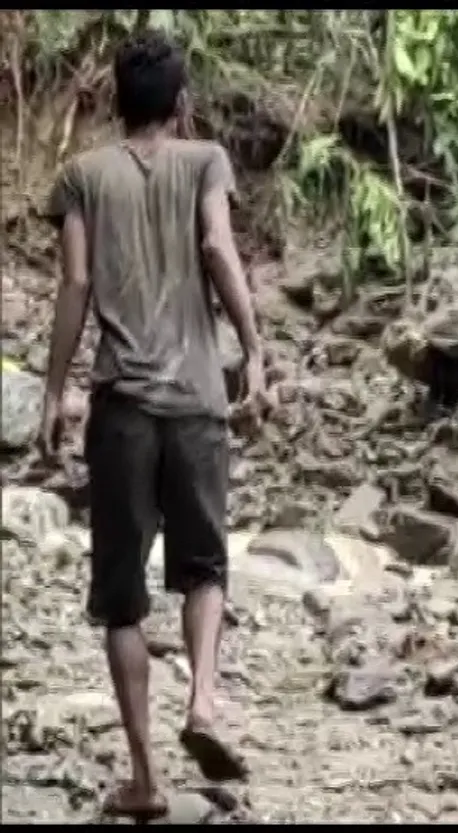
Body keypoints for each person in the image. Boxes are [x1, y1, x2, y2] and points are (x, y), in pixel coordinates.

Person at [38, 31, 269, 818]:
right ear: (181, 103)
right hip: (198, 401)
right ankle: (203, 697)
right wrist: (254, 350)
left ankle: (145, 779)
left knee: (123, 599)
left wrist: (53, 392)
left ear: (113, 100)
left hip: (123, 410)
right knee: (205, 567)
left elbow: (75, 282)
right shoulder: (206, 161)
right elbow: (218, 247)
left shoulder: (81, 176)